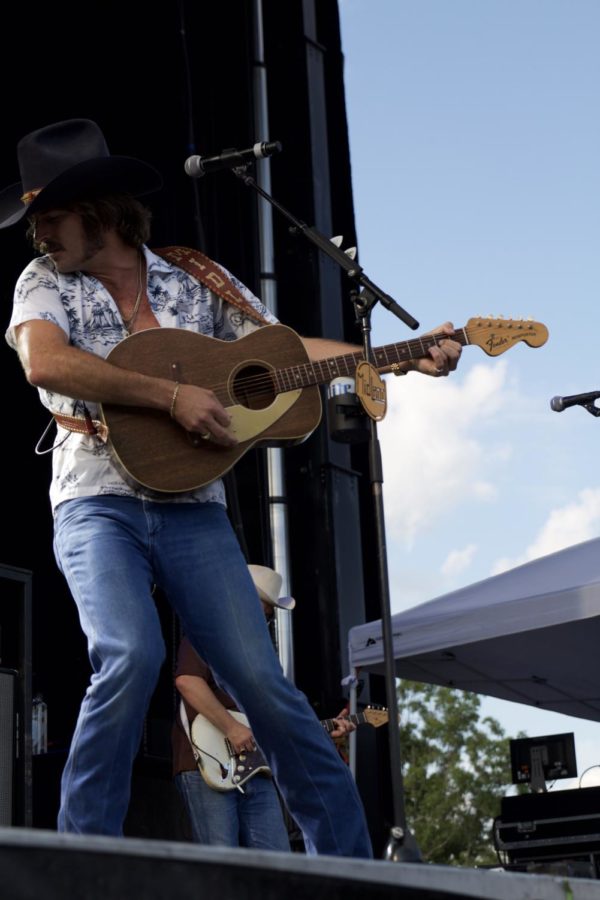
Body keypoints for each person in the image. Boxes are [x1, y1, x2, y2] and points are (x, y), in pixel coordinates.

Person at [2, 118, 462, 856]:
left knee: (262, 683)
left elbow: (283, 352)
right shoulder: (43, 282)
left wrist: (390, 357)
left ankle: (348, 867)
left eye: (50, 216)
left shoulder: (194, 280)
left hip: (193, 510)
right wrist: (169, 396)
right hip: (95, 502)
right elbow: (45, 364)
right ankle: (78, 856)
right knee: (129, 655)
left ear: (100, 207)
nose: (40, 234)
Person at [172, 563, 356, 851]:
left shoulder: (262, 657)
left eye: (270, 616)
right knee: (220, 863)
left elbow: (278, 718)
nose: (267, 620)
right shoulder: (206, 634)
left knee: (275, 860)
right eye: (265, 611)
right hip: (207, 762)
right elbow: (187, 682)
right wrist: (232, 728)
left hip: (258, 769)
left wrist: (320, 733)